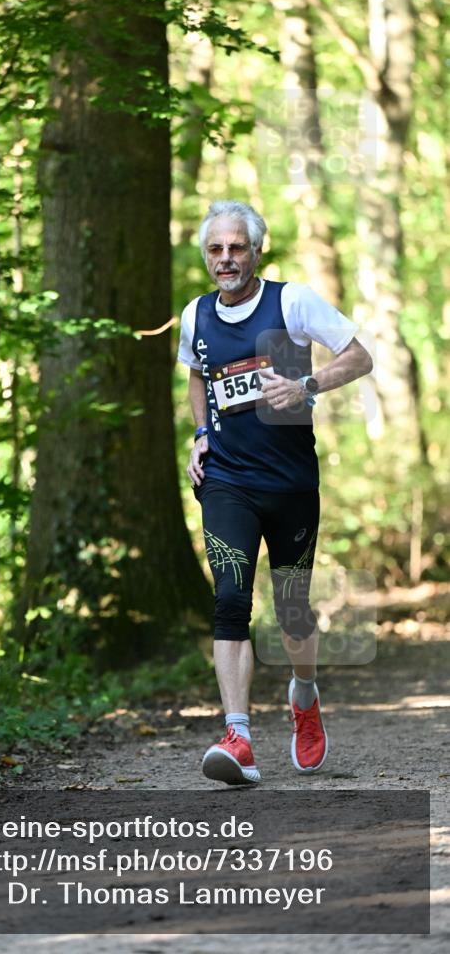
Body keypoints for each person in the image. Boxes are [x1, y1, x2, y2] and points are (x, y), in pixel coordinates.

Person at [178, 200, 373, 787]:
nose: (226, 259)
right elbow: (196, 375)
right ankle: (237, 736)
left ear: (256, 250)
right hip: (227, 482)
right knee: (232, 600)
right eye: (216, 249)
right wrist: (200, 433)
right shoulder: (195, 315)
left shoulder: (291, 302)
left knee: (291, 611)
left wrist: (307, 384)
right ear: (206, 256)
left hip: (290, 481)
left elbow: (360, 356)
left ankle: (305, 697)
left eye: (237, 247)